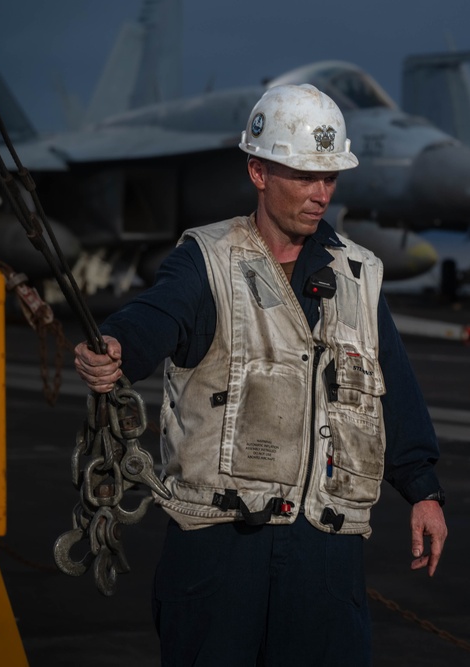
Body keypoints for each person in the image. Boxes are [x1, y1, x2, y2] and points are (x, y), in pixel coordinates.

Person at [73, 83, 447, 666]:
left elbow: (390, 388)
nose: (320, 193)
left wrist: (423, 491)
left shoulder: (359, 275)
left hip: (325, 555)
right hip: (222, 547)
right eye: (303, 176)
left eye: (330, 178)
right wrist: (118, 347)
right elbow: (159, 313)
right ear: (258, 171)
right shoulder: (207, 258)